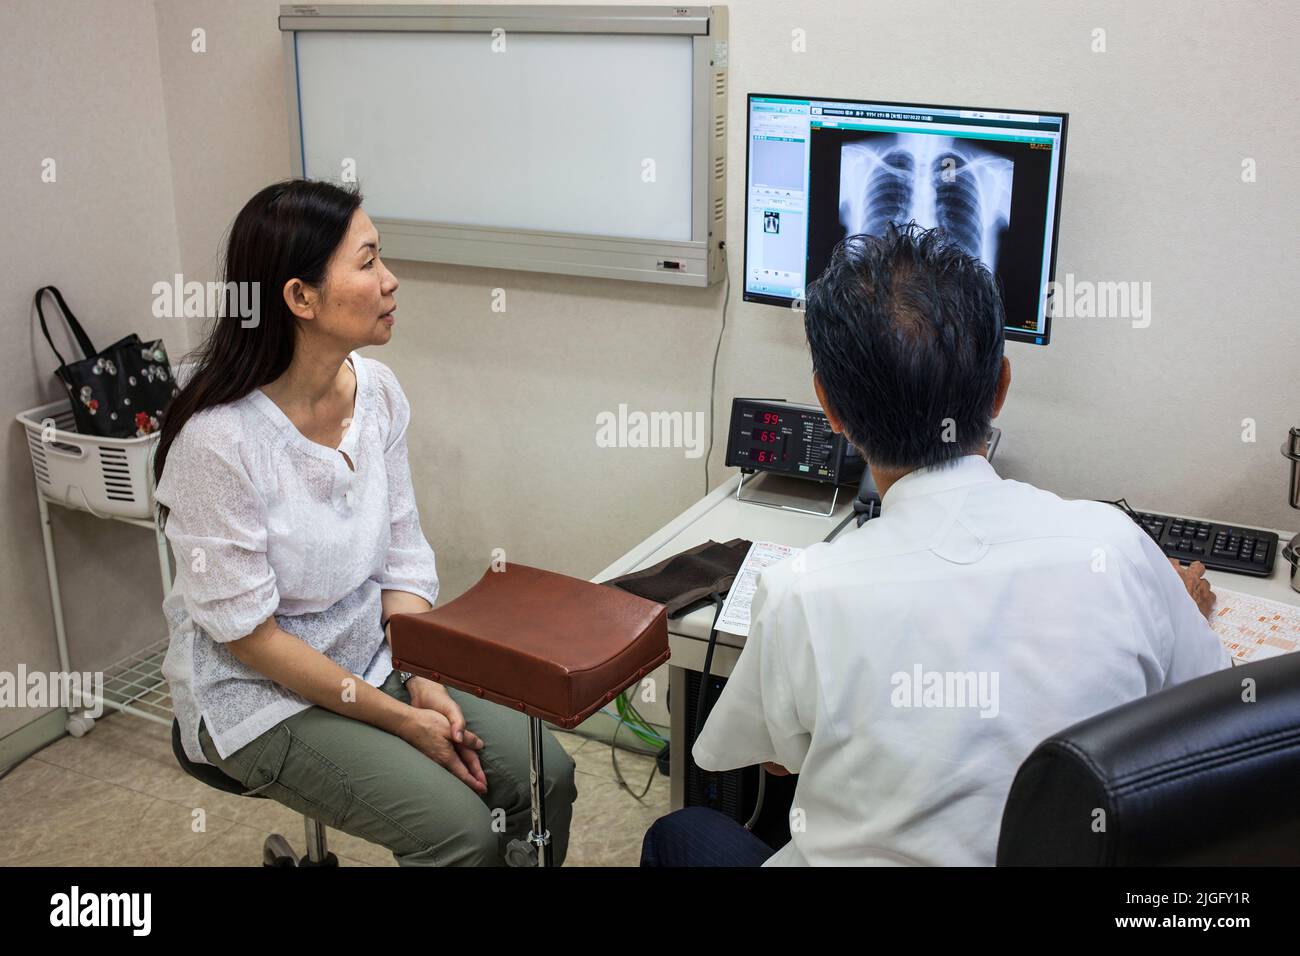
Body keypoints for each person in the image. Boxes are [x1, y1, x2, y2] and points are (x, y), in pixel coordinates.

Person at [641, 222, 1229, 866]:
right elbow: (1213, 716)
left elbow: (772, 760)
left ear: (830, 411)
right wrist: (1181, 609)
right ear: (1001, 387)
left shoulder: (802, 594)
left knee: (680, 834)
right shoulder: (1117, 551)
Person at [155, 179, 576, 866]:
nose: (391, 280)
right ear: (301, 298)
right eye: (368, 261)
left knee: (545, 778)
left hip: (378, 653)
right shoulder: (218, 441)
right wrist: (403, 720)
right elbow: (252, 640)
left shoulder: (376, 392)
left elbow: (403, 556)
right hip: (260, 694)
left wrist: (424, 677)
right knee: (462, 835)